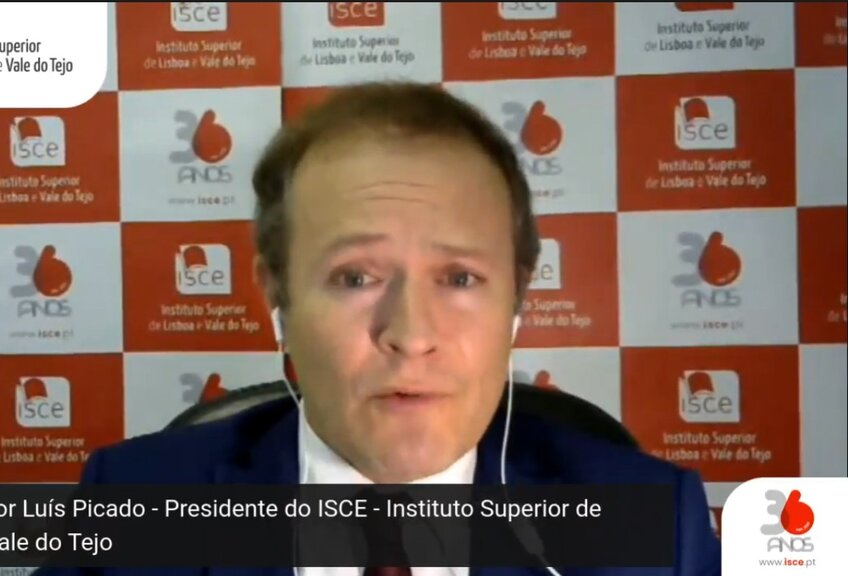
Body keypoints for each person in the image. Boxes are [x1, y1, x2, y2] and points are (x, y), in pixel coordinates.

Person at [36, 82, 721, 576]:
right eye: (356, 277)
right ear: (277, 294)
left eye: (460, 278)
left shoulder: (657, 523)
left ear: (519, 299)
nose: (411, 335)